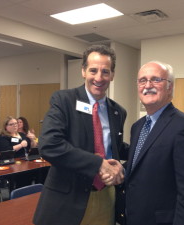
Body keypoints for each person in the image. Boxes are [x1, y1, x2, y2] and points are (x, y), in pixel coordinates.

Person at [33, 45, 128, 225]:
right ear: (83, 71)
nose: (99, 78)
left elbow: (115, 147)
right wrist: (98, 163)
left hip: (106, 197)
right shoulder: (64, 100)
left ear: (113, 75)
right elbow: (49, 145)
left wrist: (136, 157)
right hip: (67, 200)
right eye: (93, 70)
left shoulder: (118, 112)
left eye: (105, 72)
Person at [124, 61, 184, 225]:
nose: (148, 85)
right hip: (135, 215)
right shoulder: (138, 127)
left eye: (156, 79)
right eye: (142, 80)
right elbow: (142, 166)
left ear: (170, 86)